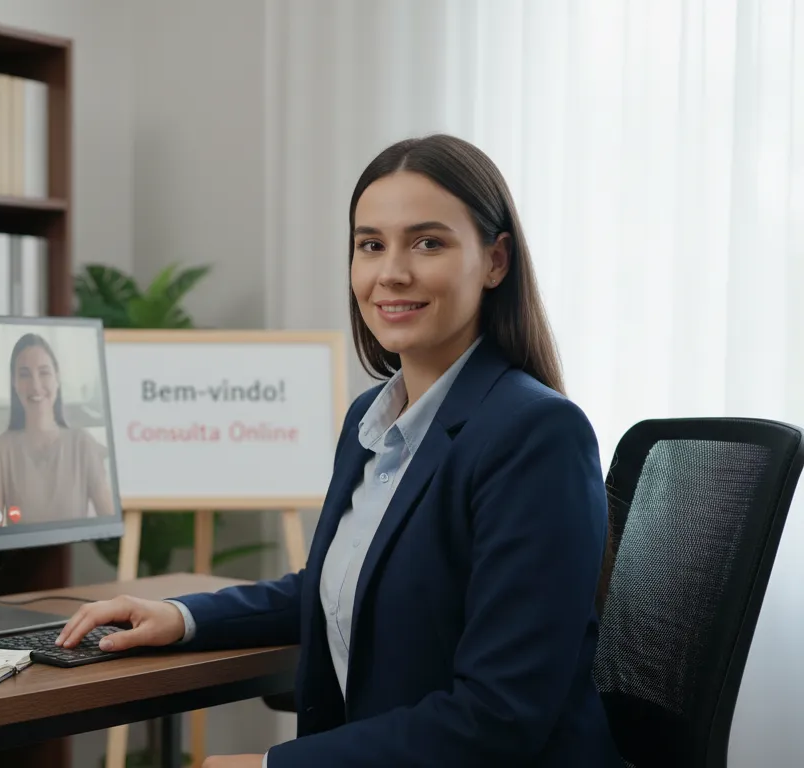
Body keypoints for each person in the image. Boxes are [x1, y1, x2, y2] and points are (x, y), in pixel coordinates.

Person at [55, 134, 624, 767]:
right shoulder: (372, 418)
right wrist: (180, 616)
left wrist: (273, 767)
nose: (391, 272)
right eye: (370, 245)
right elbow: (344, 581)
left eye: (428, 243)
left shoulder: (535, 434)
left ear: (495, 262)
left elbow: (499, 715)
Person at [0, 332, 116, 526]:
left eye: (44, 372)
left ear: (57, 378)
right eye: (24, 374)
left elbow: (110, 525)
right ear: (14, 382)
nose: (35, 385)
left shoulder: (83, 444)